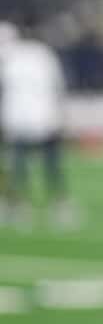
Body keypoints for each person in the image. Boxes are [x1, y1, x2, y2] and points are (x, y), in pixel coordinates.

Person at [0, 18, 74, 229]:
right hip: (43, 115)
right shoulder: (43, 54)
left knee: (18, 163)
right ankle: (60, 204)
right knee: (50, 163)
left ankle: (16, 206)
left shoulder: (11, 56)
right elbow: (58, 86)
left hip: (18, 117)